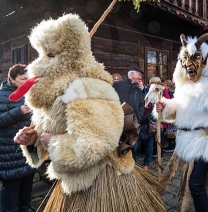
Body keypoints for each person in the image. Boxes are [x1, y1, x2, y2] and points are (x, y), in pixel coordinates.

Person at [13, 14, 165, 211]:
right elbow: (47, 131)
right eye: (41, 54)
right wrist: (33, 140)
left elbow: (94, 147)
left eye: (50, 55)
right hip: (73, 181)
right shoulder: (54, 90)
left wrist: (52, 142)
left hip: (102, 179)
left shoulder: (87, 89)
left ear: (70, 55)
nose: (37, 64)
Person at [156, 33, 208, 212]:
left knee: (196, 184)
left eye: (195, 59)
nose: (190, 66)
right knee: (195, 184)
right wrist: (165, 107)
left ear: (205, 60)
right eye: (186, 59)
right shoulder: (184, 85)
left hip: (205, 141)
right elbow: (180, 108)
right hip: (187, 140)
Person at [0, 64, 37, 212]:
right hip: (9, 150)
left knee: (28, 181)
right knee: (12, 186)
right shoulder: (2, 95)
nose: (26, 81)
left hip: (28, 148)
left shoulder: (30, 93)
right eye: (23, 79)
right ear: (11, 79)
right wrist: (18, 111)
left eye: (28, 78)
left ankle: (25, 207)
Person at [132, 78, 156, 171]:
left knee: (149, 146)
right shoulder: (132, 92)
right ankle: (133, 163)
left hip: (148, 122)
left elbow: (154, 104)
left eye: (139, 81)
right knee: (134, 145)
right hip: (136, 122)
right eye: (136, 82)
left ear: (142, 82)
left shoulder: (149, 91)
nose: (138, 83)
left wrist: (149, 106)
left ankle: (146, 164)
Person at [113, 66, 145, 130]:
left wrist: (139, 117)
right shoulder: (117, 85)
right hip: (117, 124)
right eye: (139, 75)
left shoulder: (138, 90)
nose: (140, 78)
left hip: (133, 125)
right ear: (132, 74)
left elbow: (141, 105)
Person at [163, 79, 176, 153]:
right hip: (175, 113)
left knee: (171, 131)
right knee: (173, 131)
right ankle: (173, 146)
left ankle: (171, 146)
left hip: (172, 113)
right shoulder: (174, 92)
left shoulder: (170, 93)